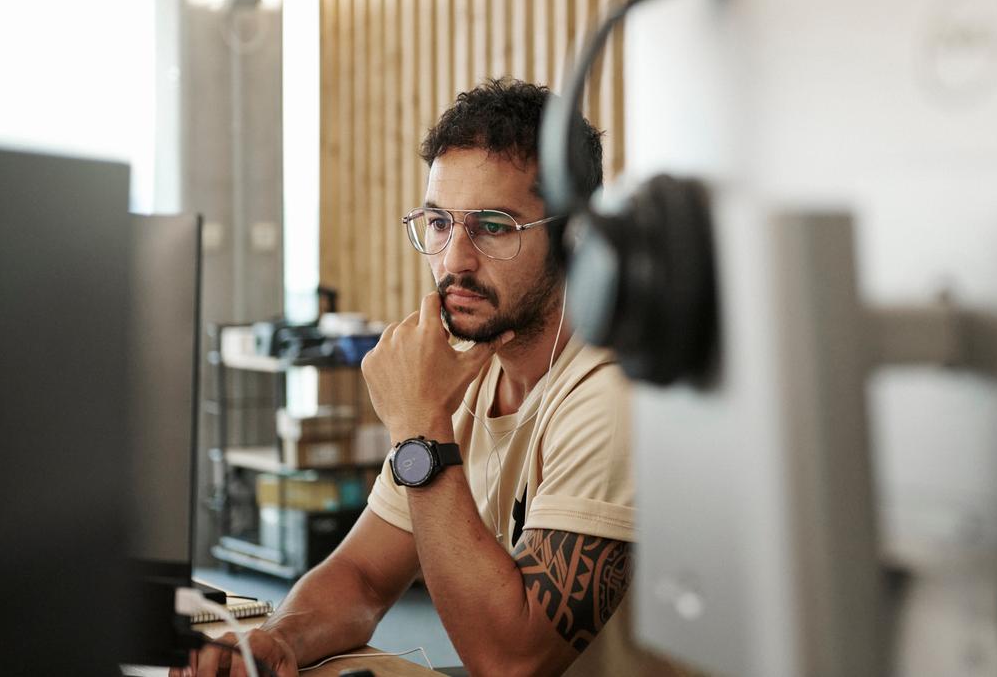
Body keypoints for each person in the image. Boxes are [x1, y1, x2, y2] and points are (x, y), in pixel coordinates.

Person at [181, 78, 677, 677]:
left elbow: (511, 662)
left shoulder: (612, 391)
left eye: (494, 227)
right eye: (439, 222)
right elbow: (362, 577)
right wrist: (281, 641)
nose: (455, 261)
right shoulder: (466, 369)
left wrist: (419, 428)